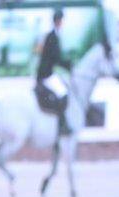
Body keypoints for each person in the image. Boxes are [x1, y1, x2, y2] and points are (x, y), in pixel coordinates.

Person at [35, 8, 72, 136]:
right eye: (60, 20)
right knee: (63, 92)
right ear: (57, 21)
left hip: (49, 72)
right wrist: (69, 66)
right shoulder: (52, 37)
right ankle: (62, 125)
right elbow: (56, 58)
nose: (61, 23)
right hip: (46, 74)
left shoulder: (53, 35)